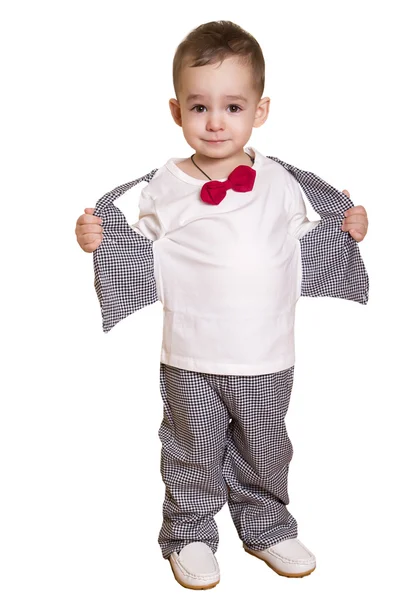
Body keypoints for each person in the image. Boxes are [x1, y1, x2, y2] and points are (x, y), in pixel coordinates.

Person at [75, 20, 369, 590]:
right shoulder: (164, 184)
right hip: (189, 351)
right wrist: (94, 238)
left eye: (233, 107)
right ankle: (188, 529)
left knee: (265, 442)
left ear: (259, 111)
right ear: (175, 110)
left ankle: (265, 523)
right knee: (192, 444)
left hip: (267, 351)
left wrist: (351, 225)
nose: (215, 122)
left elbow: (314, 241)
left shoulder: (282, 182)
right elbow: (132, 249)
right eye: (199, 106)